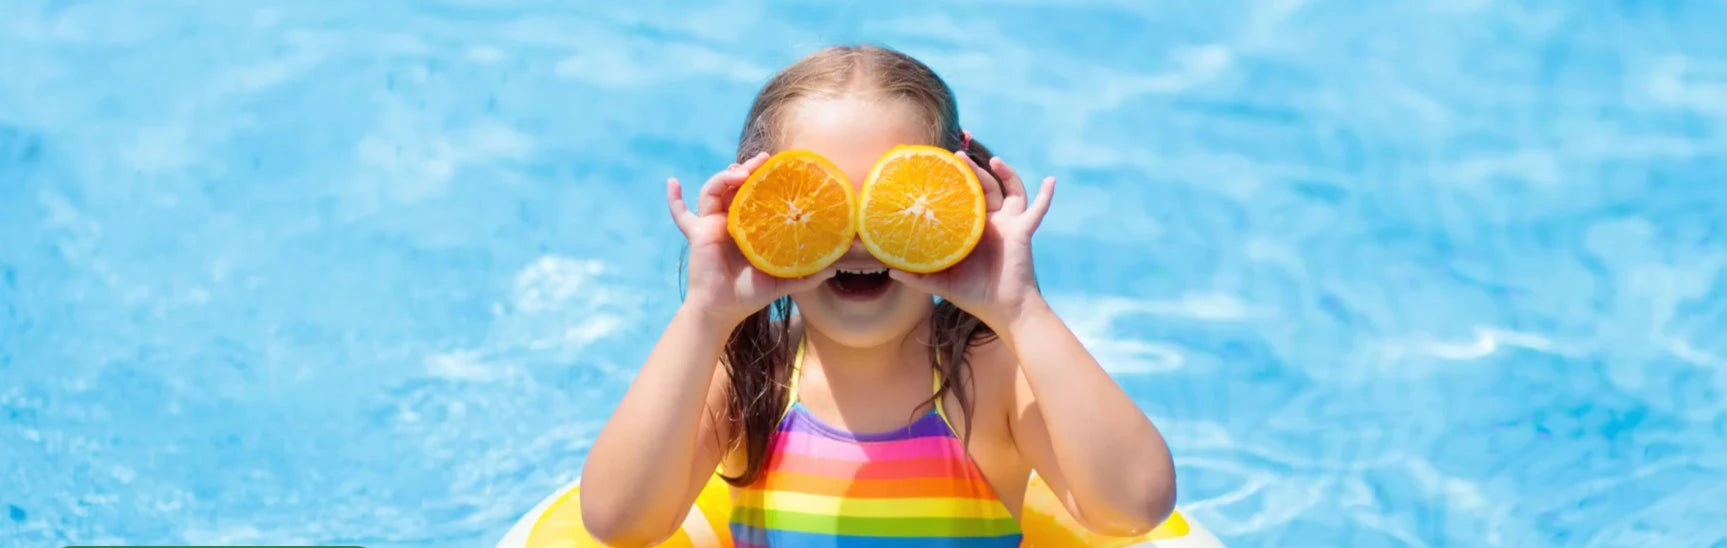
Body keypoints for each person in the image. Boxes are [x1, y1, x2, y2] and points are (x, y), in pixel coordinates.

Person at [580, 44, 1175, 546]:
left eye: (895, 200)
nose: (859, 238)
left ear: (958, 195)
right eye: (819, 202)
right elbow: (620, 524)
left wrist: (1019, 308)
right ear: (756, 206)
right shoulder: (747, 375)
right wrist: (706, 315)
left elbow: (1132, 508)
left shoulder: (988, 377)